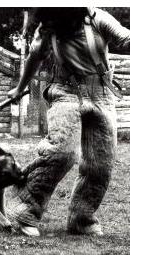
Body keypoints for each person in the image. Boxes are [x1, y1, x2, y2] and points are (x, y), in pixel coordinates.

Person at [8, 7, 130, 237]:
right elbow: (35, 57)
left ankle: (81, 220)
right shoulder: (47, 30)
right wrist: (20, 88)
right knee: (62, 151)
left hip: (102, 94)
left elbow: (126, 38)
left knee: (100, 164)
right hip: (66, 92)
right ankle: (24, 211)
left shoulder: (98, 20)